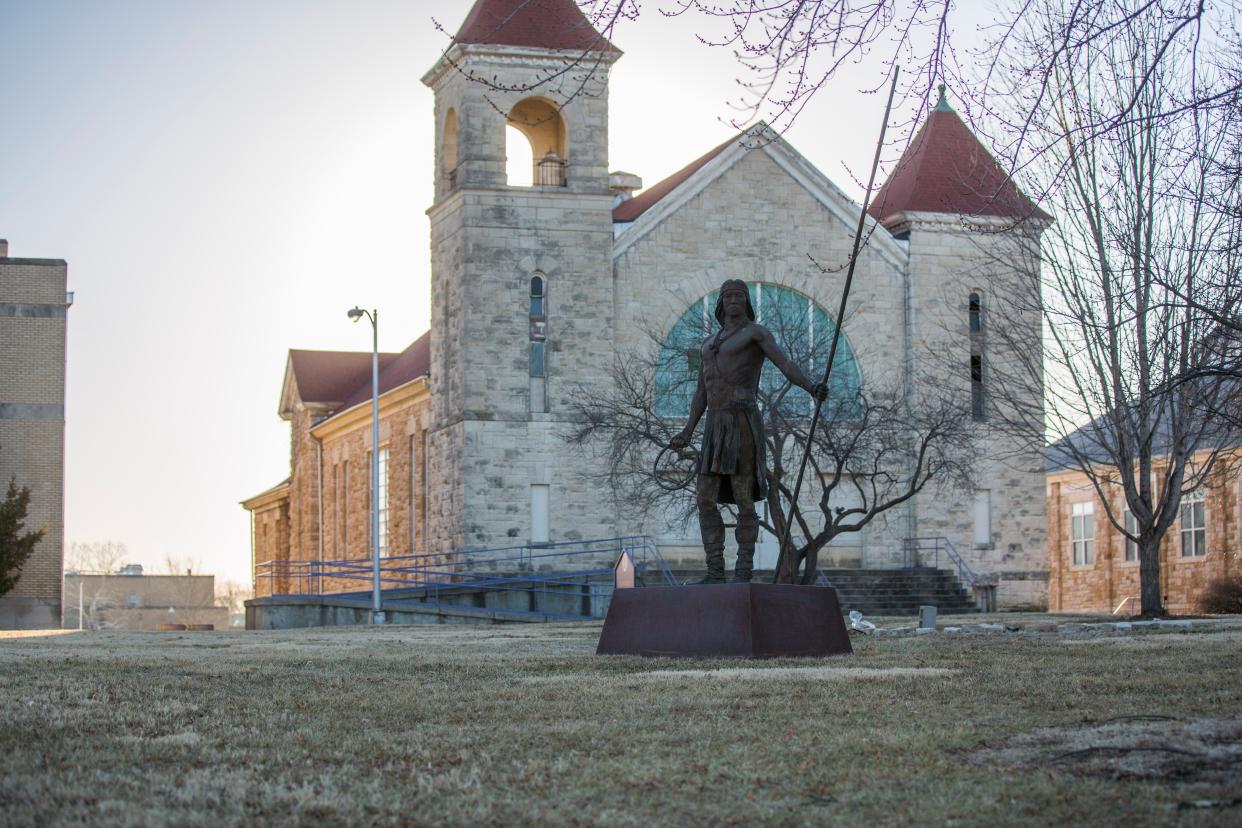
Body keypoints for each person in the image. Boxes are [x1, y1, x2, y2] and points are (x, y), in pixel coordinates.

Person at [669, 280, 827, 583]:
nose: (734, 301)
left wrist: (811, 387)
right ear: (720, 303)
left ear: (746, 301)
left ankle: (743, 572)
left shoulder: (756, 333)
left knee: (744, 498)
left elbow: (785, 364)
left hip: (741, 421)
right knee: (704, 497)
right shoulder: (707, 344)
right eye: (728, 296)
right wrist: (688, 431)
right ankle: (715, 572)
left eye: (739, 296)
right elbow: (701, 392)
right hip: (714, 426)